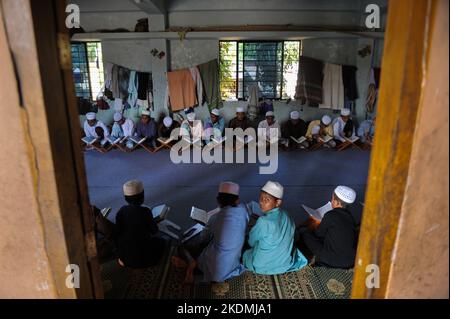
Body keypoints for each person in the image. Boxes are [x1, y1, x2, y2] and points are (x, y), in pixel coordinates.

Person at [171, 182, 249, 283]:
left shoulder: (215, 218)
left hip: (214, 269)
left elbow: (203, 239)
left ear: (218, 200)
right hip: (233, 264)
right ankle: (191, 265)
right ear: (237, 200)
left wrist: (208, 226)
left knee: (182, 245)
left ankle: (191, 263)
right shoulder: (243, 211)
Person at [243, 181, 308, 275]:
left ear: (278, 202)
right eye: (261, 198)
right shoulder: (287, 215)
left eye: (266, 200)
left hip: (261, 265)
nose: (261, 202)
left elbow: (251, 242)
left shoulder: (263, 221)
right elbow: (294, 236)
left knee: (244, 253)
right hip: (284, 264)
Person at [296, 186, 359, 269]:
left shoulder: (330, 215)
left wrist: (316, 224)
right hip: (350, 262)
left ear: (336, 203)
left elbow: (319, 234)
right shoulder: (351, 218)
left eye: (332, 199)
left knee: (305, 233)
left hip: (330, 260)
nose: (331, 201)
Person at [113, 180, 166, 268]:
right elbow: (154, 231)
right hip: (145, 259)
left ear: (126, 198)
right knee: (162, 241)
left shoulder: (121, 211)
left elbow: (117, 233)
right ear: (142, 197)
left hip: (125, 258)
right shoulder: (145, 211)